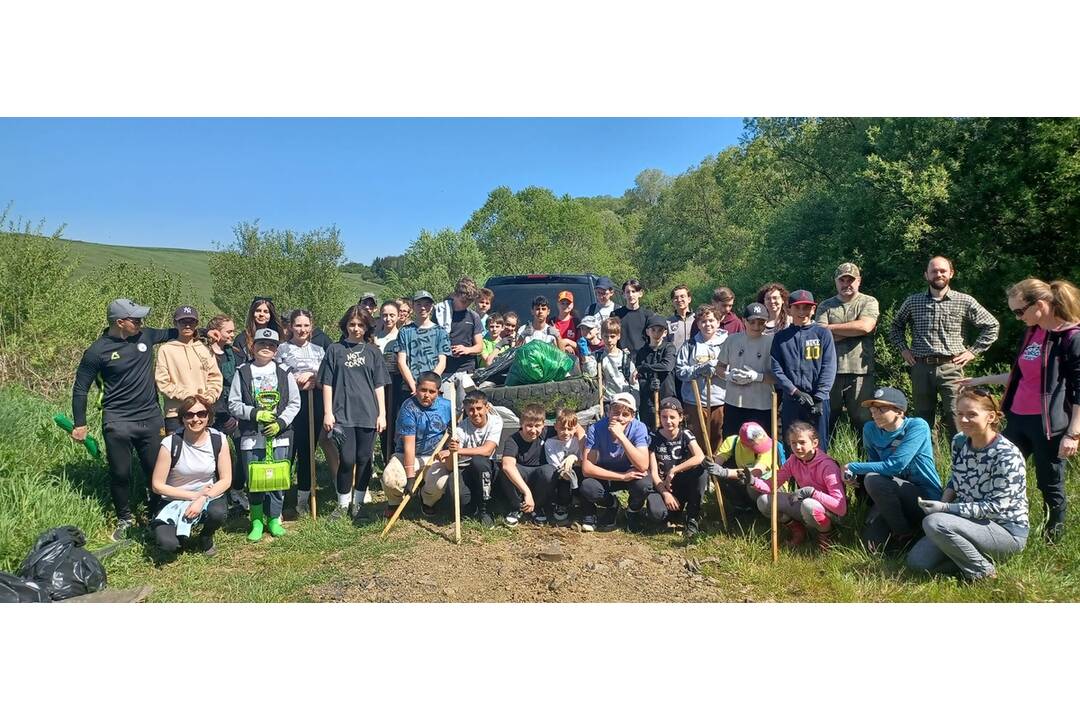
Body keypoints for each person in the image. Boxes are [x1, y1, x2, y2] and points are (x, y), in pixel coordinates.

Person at [961, 278, 1080, 541]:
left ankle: (1052, 539)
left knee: (1049, 482)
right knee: (996, 469)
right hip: (1017, 418)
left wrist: (1073, 433)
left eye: (1019, 311)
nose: (1017, 317)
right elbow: (1018, 375)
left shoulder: (1070, 337)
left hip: (1048, 423)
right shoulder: (1032, 333)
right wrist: (978, 381)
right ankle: (993, 528)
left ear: (1039, 305)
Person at [71, 298, 178, 540]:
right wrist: (80, 423)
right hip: (118, 420)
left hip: (150, 418)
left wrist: (204, 331)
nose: (141, 322)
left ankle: (157, 513)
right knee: (120, 473)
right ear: (120, 322)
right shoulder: (97, 351)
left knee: (156, 469)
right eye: (136, 319)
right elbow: (80, 388)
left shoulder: (146, 336)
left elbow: (176, 332)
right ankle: (124, 518)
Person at [906, 388, 1029, 580]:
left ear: (990, 417)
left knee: (934, 523)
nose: (963, 420)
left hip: (1005, 530)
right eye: (960, 414)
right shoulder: (959, 441)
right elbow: (956, 478)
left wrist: (946, 509)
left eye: (972, 414)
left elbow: (996, 508)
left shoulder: (1006, 455)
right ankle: (973, 557)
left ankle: (983, 572)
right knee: (917, 562)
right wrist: (941, 505)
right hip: (968, 522)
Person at [888, 255, 1000, 431]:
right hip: (920, 366)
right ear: (926, 275)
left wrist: (973, 352)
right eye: (934, 271)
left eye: (942, 271)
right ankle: (926, 458)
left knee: (958, 416)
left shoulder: (964, 300)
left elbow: (992, 325)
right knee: (921, 420)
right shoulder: (913, 301)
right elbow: (895, 327)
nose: (938, 274)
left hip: (951, 367)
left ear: (951, 273)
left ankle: (961, 457)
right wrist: (903, 349)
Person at [845, 387, 942, 553]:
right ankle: (902, 530)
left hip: (924, 497)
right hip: (892, 494)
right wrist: (853, 475)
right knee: (871, 547)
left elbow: (895, 465)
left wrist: (852, 466)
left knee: (872, 479)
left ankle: (904, 535)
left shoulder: (917, 426)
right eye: (872, 409)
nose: (875, 413)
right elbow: (874, 464)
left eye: (881, 409)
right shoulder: (870, 429)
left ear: (899, 411)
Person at [228, 328, 301, 542]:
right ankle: (257, 521)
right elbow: (233, 403)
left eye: (271, 345)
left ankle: (274, 519)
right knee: (255, 480)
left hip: (280, 435)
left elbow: (295, 403)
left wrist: (280, 422)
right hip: (251, 436)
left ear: (276, 349)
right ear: (253, 346)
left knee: (278, 478)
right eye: (261, 344)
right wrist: (254, 413)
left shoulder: (285, 372)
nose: (266, 348)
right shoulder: (242, 372)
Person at [320, 306, 389, 521]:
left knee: (364, 459)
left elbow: (379, 385)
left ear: (367, 326)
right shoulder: (334, 349)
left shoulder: (373, 352)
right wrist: (328, 412)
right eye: (352, 324)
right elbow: (327, 383)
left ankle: (358, 505)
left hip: (368, 413)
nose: (356, 328)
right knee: (347, 460)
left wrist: (382, 414)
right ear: (345, 326)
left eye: (360, 325)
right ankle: (342, 506)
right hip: (343, 414)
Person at [149, 395, 231, 557]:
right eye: (189, 415)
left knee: (218, 513)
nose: (196, 419)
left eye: (201, 414)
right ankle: (177, 533)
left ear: (208, 417)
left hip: (206, 496)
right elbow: (157, 485)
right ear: (182, 419)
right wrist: (193, 496)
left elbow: (226, 480)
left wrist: (202, 498)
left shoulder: (218, 439)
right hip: (174, 499)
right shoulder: (170, 443)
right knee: (169, 545)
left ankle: (206, 536)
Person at [749, 422, 846, 551]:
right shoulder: (793, 461)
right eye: (793, 443)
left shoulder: (828, 466)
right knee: (764, 501)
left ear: (815, 443)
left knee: (808, 505)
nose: (797, 447)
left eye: (802, 442)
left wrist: (812, 492)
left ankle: (827, 535)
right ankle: (798, 529)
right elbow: (772, 485)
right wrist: (752, 481)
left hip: (829, 511)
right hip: (804, 502)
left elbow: (841, 508)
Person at [815, 262, 879, 437]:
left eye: (850, 280)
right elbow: (818, 335)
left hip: (860, 371)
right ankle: (825, 461)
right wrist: (852, 331)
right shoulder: (825, 305)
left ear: (858, 281)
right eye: (842, 280)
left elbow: (865, 327)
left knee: (863, 420)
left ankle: (865, 462)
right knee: (827, 419)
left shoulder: (868, 301)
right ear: (836, 282)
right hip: (830, 371)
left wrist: (831, 329)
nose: (846, 284)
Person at [380, 372, 454, 518]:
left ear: (438, 392)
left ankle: (426, 500)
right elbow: (409, 445)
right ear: (416, 388)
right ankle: (394, 502)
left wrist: (454, 427)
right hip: (406, 455)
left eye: (432, 392)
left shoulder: (448, 407)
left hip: (434, 456)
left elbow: (468, 414)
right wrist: (410, 477)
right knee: (390, 479)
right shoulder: (408, 408)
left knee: (440, 484)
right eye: (423, 390)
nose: (427, 395)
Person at [275, 309, 328, 516]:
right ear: (290, 327)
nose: (302, 329)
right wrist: (295, 379)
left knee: (307, 454)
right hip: (289, 407)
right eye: (298, 325)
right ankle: (277, 502)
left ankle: (303, 500)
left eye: (306, 325)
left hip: (312, 405)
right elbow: (277, 375)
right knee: (286, 454)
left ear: (311, 327)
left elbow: (325, 376)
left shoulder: (319, 350)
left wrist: (315, 377)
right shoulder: (281, 349)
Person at [770, 290, 836, 452]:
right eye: (797, 308)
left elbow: (829, 366)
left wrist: (820, 396)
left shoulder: (823, 334)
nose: (802, 312)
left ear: (813, 310)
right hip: (793, 400)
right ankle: (793, 477)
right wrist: (795, 392)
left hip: (818, 400)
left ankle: (819, 477)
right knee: (792, 445)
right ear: (789, 309)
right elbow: (776, 369)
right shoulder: (781, 337)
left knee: (818, 445)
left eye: (806, 308)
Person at [580, 392, 651, 532]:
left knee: (645, 484)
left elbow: (643, 465)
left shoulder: (639, 427)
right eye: (616, 412)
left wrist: (621, 436)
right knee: (588, 487)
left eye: (625, 415)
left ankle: (633, 511)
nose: (619, 418)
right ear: (608, 411)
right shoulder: (596, 428)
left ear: (632, 416)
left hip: (632, 471)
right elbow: (587, 469)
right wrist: (622, 476)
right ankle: (612, 504)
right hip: (607, 474)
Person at [643, 398, 707, 540]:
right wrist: (665, 494)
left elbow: (700, 456)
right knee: (657, 514)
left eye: (672, 417)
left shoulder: (686, 434)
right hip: (662, 486)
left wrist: (673, 470)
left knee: (702, 472)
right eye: (664, 417)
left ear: (680, 417)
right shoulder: (653, 437)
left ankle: (692, 517)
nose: (668, 421)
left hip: (682, 482)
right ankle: (673, 512)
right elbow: (653, 472)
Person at [155, 305, 222, 434]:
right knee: (177, 452)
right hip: (176, 414)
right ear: (175, 323)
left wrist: (210, 397)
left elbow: (215, 377)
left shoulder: (205, 349)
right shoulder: (166, 350)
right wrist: (188, 396)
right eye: (182, 322)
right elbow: (162, 382)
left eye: (191, 322)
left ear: (196, 324)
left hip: (202, 411)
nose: (187, 326)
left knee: (203, 452)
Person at [718, 302, 775, 437]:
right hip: (734, 402)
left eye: (761, 322)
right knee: (732, 444)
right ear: (744, 321)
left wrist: (757, 377)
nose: (756, 326)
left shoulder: (772, 342)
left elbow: (777, 377)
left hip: (761, 405)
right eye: (752, 322)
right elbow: (719, 367)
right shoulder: (732, 340)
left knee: (760, 447)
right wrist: (728, 375)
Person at [676, 304, 728, 453]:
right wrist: (700, 369)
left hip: (720, 401)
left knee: (719, 441)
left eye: (711, 320)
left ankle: (718, 473)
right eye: (703, 321)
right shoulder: (690, 345)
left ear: (718, 322)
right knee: (697, 441)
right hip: (695, 402)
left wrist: (719, 371)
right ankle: (700, 473)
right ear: (698, 324)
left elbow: (733, 371)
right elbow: (680, 372)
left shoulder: (727, 344)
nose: (708, 324)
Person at [449, 389, 503, 527]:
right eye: (471, 410)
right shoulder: (461, 428)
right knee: (459, 498)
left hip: (485, 466)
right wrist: (451, 451)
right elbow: (451, 462)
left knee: (478, 461)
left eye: (479, 408)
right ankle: (472, 506)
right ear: (466, 411)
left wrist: (460, 450)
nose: (475, 413)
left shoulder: (496, 421)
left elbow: (487, 450)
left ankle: (485, 509)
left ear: (487, 408)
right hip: (464, 467)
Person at [500, 404, 558, 526]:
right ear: (521, 424)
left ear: (544, 424)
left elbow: (575, 426)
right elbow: (507, 465)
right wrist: (527, 493)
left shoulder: (547, 433)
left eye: (537, 426)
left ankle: (538, 507)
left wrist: (573, 456)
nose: (533, 430)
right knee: (506, 471)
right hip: (522, 476)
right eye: (529, 426)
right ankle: (517, 507)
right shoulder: (513, 439)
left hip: (539, 476)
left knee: (549, 471)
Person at [708, 421, 777, 516]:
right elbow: (717, 463)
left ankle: (763, 511)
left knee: (751, 484)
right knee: (718, 476)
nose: (762, 447)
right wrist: (711, 465)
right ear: (743, 444)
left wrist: (725, 472)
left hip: (769, 484)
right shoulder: (732, 442)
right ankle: (742, 507)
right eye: (756, 446)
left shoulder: (770, 447)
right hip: (746, 482)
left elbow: (755, 473)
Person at [396, 291, 450, 397]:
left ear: (432, 306)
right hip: (410, 388)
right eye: (419, 304)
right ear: (412, 306)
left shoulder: (441, 331)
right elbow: (401, 361)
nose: (423, 308)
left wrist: (428, 386)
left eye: (426, 304)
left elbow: (442, 362)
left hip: (433, 389)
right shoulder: (404, 331)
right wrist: (413, 385)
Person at [543, 407, 586, 527]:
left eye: (570, 429)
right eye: (562, 428)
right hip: (561, 474)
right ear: (555, 426)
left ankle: (582, 503)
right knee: (562, 482)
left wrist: (574, 458)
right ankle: (562, 503)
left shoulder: (579, 441)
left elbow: (584, 460)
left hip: (576, 472)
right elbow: (555, 464)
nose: (566, 432)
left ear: (575, 428)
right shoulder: (550, 443)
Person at [434, 277, 485, 376]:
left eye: (470, 302)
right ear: (455, 295)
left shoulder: (473, 316)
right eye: (463, 301)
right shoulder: (441, 314)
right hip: (444, 369)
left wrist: (466, 350)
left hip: (467, 369)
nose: (466, 305)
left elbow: (479, 347)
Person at [636, 315, 677, 432]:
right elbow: (640, 378)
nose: (656, 333)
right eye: (653, 330)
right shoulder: (642, 352)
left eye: (660, 330)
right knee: (649, 432)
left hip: (667, 395)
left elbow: (667, 366)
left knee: (667, 430)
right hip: (648, 401)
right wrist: (648, 385)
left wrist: (645, 367)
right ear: (647, 331)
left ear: (665, 333)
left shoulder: (669, 348)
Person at [590, 318, 638, 404]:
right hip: (605, 400)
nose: (609, 340)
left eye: (612, 336)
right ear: (601, 336)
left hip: (624, 399)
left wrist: (635, 400)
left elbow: (634, 382)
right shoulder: (597, 356)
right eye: (606, 336)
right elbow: (590, 373)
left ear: (618, 336)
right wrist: (586, 360)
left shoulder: (625, 357)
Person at [234, 296, 285, 363]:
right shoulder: (242, 339)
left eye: (266, 311)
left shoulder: (278, 337)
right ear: (252, 313)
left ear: (271, 315)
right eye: (258, 311)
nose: (261, 314)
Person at [613, 278, 657, 353]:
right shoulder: (616, 315)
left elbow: (653, 338)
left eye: (634, 291)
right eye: (627, 292)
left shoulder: (648, 315)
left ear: (640, 293)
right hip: (622, 357)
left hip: (643, 357)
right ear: (623, 295)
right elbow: (612, 337)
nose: (631, 295)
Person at [667, 284, 696, 353]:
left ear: (689, 299)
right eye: (676, 298)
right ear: (672, 301)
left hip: (695, 360)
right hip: (675, 361)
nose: (679, 300)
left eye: (682, 296)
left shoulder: (698, 320)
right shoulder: (667, 323)